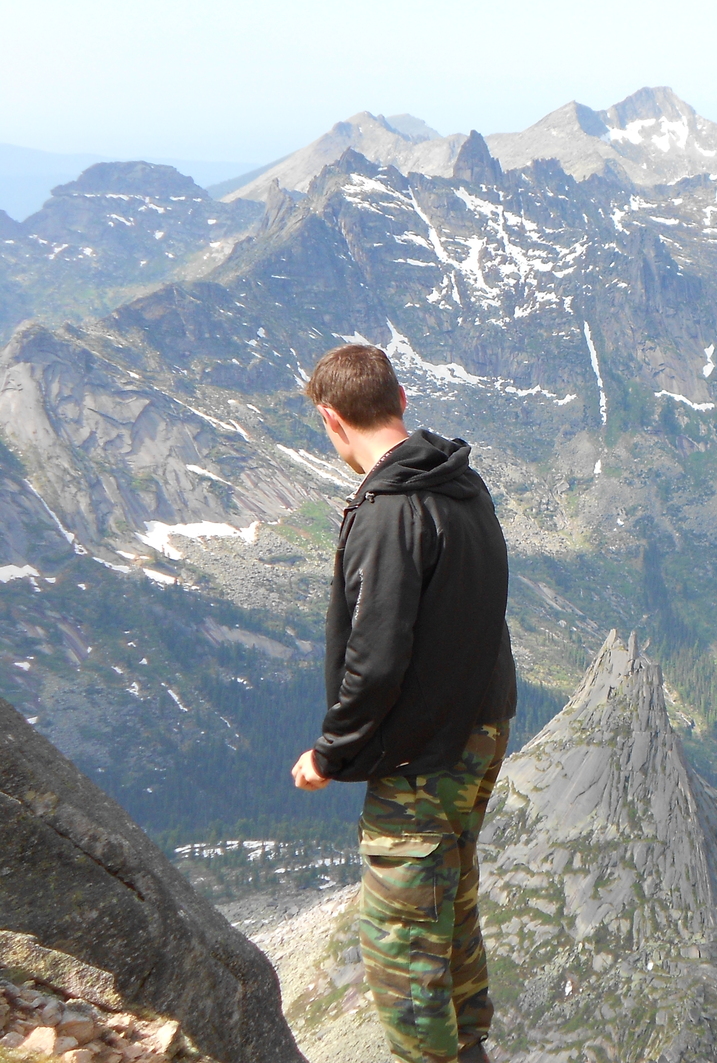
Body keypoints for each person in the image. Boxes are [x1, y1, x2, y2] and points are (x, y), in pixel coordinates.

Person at [290, 344, 517, 1063]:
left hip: (425, 749)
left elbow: (377, 655)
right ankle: (470, 1044)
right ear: (402, 400)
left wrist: (333, 752)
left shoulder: (390, 510)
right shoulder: (460, 481)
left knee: (399, 940)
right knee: (449, 901)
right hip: (481, 726)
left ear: (331, 418)